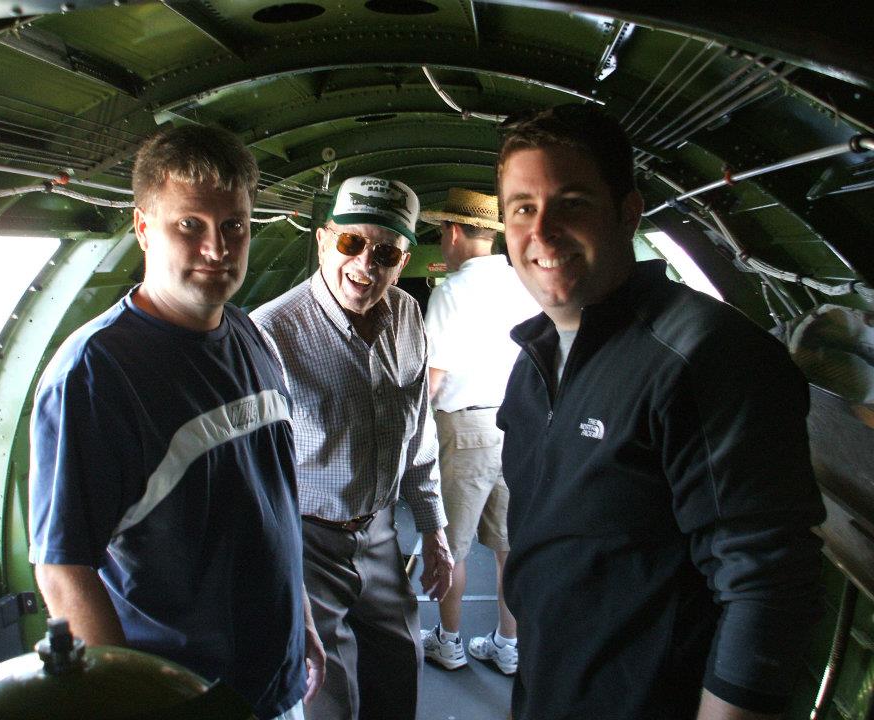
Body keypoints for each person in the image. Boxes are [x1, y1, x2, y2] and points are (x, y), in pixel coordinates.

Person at [495, 104, 826, 720]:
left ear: (628, 212)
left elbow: (767, 586)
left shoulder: (703, 356)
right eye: (522, 208)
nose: (541, 232)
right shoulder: (535, 360)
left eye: (571, 202)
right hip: (552, 685)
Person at [28, 125, 324, 720]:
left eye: (234, 226)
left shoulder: (248, 335)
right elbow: (63, 570)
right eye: (189, 225)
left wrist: (303, 623)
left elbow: (275, 501)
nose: (217, 248)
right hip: (180, 695)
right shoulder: (97, 373)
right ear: (143, 228)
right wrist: (126, 700)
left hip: (275, 680)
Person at [251, 176, 454, 720]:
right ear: (322, 240)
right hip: (306, 539)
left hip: (380, 531)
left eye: (385, 252)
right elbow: (253, 472)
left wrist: (432, 527)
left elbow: (417, 429)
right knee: (327, 694)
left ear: (404, 257)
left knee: (399, 666)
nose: (365, 264)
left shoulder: (407, 315)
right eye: (350, 244)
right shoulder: (271, 332)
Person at [416, 188, 538, 676]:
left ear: (452, 232)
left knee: (453, 545)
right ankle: (508, 644)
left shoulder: (450, 291)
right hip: (517, 424)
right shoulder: (521, 285)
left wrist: (407, 437)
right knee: (510, 544)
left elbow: (434, 378)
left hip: (464, 431)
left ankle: (448, 641)